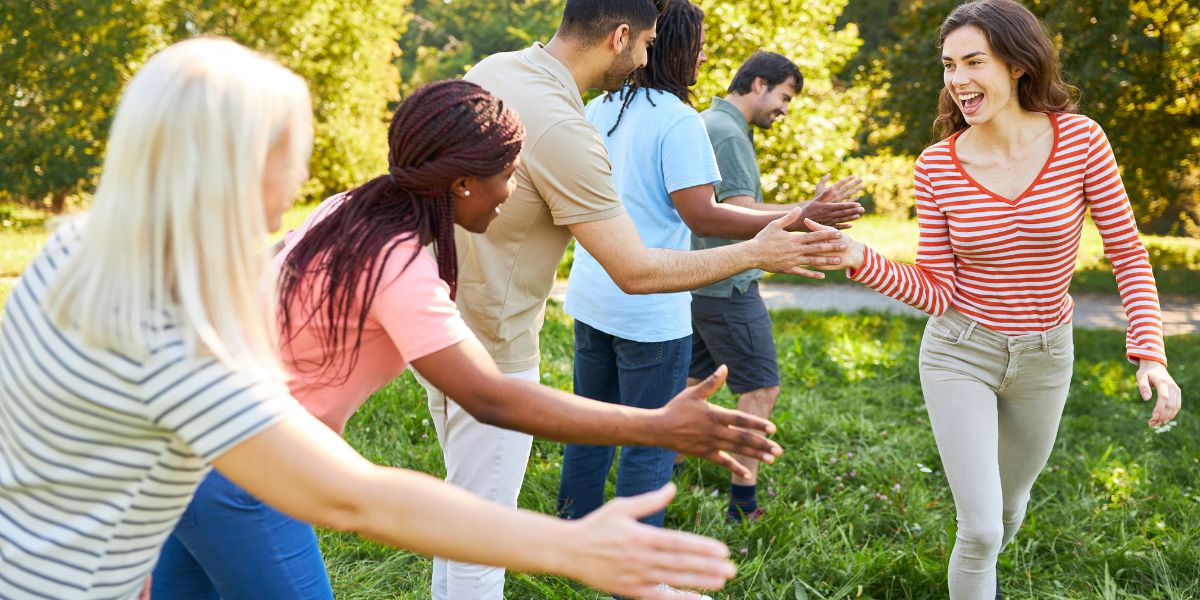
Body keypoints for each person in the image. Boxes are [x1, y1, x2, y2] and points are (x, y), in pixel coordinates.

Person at [0, 38, 748, 600]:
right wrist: (574, 541)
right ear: (234, 167)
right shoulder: (187, 342)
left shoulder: (74, 254)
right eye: (290, 151)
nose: (299, 173)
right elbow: (358, 492)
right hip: (217, 502)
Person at [423, 1, 853, 596]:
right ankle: (638, 567)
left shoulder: (495, 69)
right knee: (481, 540)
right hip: (497, 349)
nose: (651, 56)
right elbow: (639, 267)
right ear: (620, 36)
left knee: (462, 517)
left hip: (443, 325)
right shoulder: (569, 126)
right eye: (647, 42)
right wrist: (762, 250)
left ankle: (588, 540)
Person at [809, 1, 1183, 597]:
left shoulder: (1081, 141)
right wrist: (860, 259)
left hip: (1045, 357)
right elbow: (935, 289)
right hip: (961, 351)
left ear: (1016, 65)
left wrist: (1151, 355)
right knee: (980, 529)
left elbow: (1128, 253)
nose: (957, 80)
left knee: (1008, 512)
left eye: (973, 62)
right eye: (949, 65)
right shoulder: (937, 166)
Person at [557, 0, 864, 530]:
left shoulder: (599, 107)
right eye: (696, 49)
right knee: (652, 440)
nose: (701, 61)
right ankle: (636, 560)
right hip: (650, 314)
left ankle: (570, 532)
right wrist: (800, 216)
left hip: (593, 293)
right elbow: (704, 215)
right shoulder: (677, 120)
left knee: (593, 424)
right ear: (669, 48)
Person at [685, 52, 865, 524]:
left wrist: (810, 207)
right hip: (728, 284)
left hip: (702, 280)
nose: (784, 109)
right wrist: (812, 211)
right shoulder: (726, 132)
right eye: (783, 97)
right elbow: (743, 213)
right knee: (761, 386)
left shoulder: (709, 122)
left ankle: (664, 469)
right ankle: (742, 506)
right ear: (758, 83)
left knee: (691, 382)